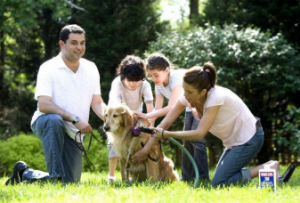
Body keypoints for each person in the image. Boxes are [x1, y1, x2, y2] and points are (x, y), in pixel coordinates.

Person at [149, 62, 283, 187]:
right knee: (221, 179)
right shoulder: (190, 97)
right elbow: (166, 122)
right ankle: (268, 170)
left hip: (250, 139)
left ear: (202, 92)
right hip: (234, 143)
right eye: (184, 90)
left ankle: (268, 168)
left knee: (219, 182)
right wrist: (145, 150)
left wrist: (167, 134)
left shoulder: (215, 97)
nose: (185, 95)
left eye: (189, 92)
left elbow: (199, 133)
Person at [5, 24, 106, 185]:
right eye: (74, 42)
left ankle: (24, 173)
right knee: (54, 120)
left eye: (82, 42)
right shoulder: (48, 68)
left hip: (74, 133)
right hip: (46, 122)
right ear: (62, 44)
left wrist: (112, 118)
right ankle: (55, 179)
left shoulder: (91, 68)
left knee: (70, 182)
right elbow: (43, 105)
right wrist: (74, 118)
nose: (79, 47)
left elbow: (97, 102)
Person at [134, 53, 209, 181]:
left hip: (202, 104)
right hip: (188, 106)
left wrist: (147, 115)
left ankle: (202, 178)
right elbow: (157, 110)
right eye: (151, 76)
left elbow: (171, 107)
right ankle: (186, 178)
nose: (154, 78)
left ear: (166, 70)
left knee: (198, 141)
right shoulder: (159, 85)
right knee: (187, 142)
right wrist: (148, 127)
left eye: (156, 75)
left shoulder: (177, 78)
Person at [106, 55, 154, 183]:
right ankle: (111, 176)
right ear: (123, 76)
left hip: (137, 118)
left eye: (136, 80)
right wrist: (125, 117)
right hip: (118, 117)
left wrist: (150, 127)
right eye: (129, 80)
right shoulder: (117, 83)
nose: (133, 84)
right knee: (114, 145)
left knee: (136, 146)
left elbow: (150, 108)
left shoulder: (145, 85)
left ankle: (138, 175)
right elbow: (115, 105)